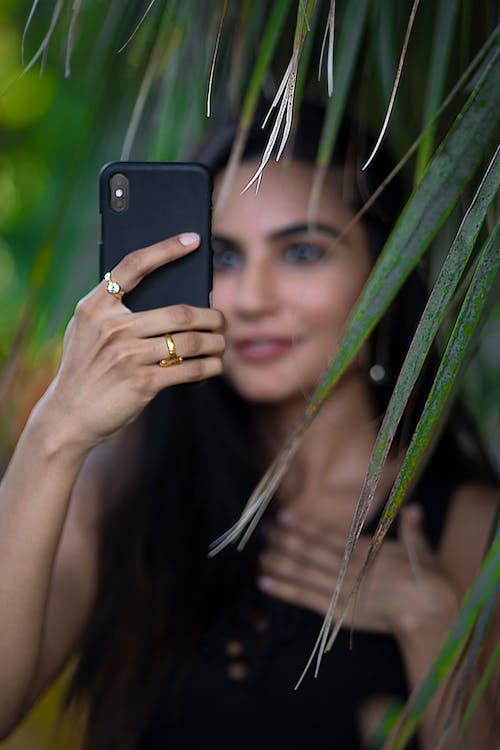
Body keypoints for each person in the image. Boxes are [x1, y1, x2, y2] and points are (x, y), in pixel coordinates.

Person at [0, 101, 498, 750]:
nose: (255, 298)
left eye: (302, 252)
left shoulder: (469, 526)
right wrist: (53, 434)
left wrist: (429, 621)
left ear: (388, 271)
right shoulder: (116, 495)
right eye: (226, 259)